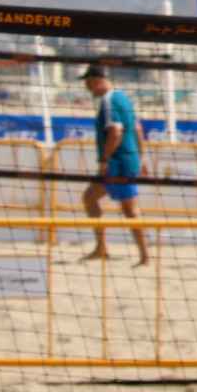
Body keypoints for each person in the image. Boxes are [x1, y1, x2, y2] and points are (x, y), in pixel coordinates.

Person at [79, 65, 149, 265]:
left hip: (118, 163)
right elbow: (137, 128)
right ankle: (102, 248)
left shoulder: (110, 100)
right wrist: (142, 157)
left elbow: (116, 132)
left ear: (96, 80)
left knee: (130, 210)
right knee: (90, 197)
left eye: (87, 82)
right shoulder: (123, 97)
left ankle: (144, 256)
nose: (86, 87)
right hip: (128, 159)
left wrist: (104, 159)